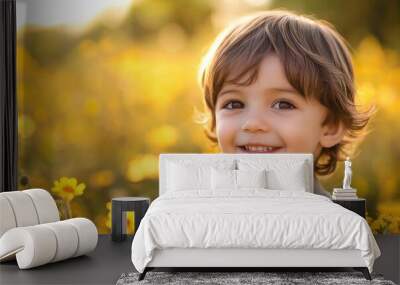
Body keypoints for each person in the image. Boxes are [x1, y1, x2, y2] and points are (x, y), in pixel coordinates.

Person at [197, 10, 374, 198]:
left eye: (283, 104)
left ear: (330, 126)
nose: (253, 124)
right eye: (234, 104)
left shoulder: (335, 222)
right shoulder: (206, 215)